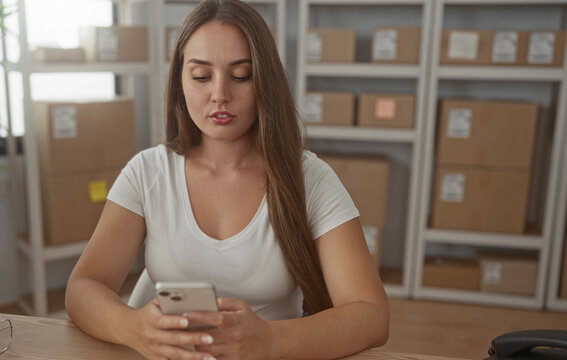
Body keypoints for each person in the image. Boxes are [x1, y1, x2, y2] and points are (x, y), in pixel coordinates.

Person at [65, 0, 389, 359]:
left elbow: (372, 316)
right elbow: (83, 287)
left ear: (265, 82)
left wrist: (269, 340)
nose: (220, 94)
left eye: (240, 75)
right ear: (180, 83)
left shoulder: (309, 179)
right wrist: (134, 329)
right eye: (201, 76)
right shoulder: (147, 173)